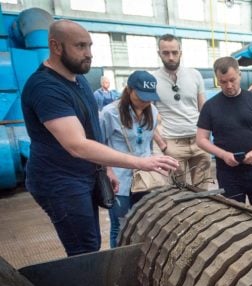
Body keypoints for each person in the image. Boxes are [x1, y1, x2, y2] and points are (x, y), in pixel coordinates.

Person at [21, 20, 178, 256]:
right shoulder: (45, 87)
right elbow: (77, 144)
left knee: (91, 240)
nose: (89, 54)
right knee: (85, 248)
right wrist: (141, 162)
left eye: (90, 46)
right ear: (56, 46)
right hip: (60, 181)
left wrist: (104, 169)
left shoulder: (79, 81)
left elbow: (91, 131)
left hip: (84, 175)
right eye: (80, 46)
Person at [197, 57, 252, 213]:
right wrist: (224, 155)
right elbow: (201, 139)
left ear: (239, 74)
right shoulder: (210, 106)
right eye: (223, 82)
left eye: (232, 80)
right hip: (228, 173)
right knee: (233, 216)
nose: (229, 86)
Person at [101, 71, 162, 248]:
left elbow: (149, 144)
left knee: (145, 224)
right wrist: (108, 170)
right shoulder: (109, 113)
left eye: (149, 97)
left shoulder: (153, 111)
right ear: (129, 90)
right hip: (119, 181)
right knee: (120, 227)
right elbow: (98, 144)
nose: (146, 101)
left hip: (145, 179)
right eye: (141, 96)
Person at [152, 34, 211, 189]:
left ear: (180, 52)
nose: (171, 57)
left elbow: (203, 107)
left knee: (204, 193)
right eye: (166, 53)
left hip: (199, 142)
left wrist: (206, 136)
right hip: (172, 144)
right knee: (178, 193)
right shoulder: (152, 79)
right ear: (159, 53)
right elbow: (145, 116)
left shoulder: (195, 75)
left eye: (174, 52)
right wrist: (162, 144)